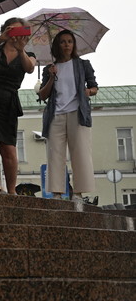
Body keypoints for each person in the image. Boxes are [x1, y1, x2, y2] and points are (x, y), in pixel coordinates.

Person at [37, 29, 98, 200]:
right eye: (63, 42)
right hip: (56, 114)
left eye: (70, 41)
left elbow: (94, 87)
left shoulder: (82, 64)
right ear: (57, 45)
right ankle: (57, 193)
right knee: (55, 154)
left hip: (77, 113)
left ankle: (78, 193)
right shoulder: (50, 68)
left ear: (74, 44)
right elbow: (42, 95)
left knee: (80, 152)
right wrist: (51, 77)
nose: (67, 45)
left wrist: (88, 91)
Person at [0, 18, 35, 194]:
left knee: (8, 146)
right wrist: (0, 40)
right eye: (12, 31)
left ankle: (11, 191)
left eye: (20, 32)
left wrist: (21, 50)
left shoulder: (27, 53)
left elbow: (30, 68)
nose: (16, 35)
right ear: (5, 30)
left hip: (8, 100)